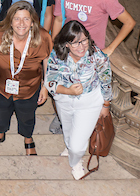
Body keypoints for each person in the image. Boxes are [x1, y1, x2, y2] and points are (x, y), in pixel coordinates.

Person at [0, 2, 51, 156]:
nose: (21, 23)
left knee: (27, 115)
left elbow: (47, 59)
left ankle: (28, 137)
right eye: (17, 19)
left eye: (26, 19)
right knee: (0, 112)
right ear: (10, 21)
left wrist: (45, 86)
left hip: (29, 88)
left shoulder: (43, 37)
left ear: (32, 22)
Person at [46, 20, 111, 180]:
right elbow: (50, 81)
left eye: (84, 40)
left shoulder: (97, 56)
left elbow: (106, 81)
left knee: (77, 145)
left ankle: (75, 161)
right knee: (68, 131)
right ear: (66, 44)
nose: (81, 46)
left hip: (89, 102)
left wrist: (106, 104)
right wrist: (67, 90)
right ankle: (70, 149)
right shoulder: (57, 55)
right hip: (64, 100)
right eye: (75, 43)